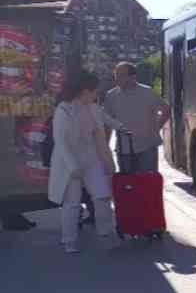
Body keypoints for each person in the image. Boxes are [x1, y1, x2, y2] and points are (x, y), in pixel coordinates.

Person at [47, 71, 118, 253]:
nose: (97, 94)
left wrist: (123, 127)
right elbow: (60, 141)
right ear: (84, 91)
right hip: (68, 161)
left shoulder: (92, 107)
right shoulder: (63, 110)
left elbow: (105, 118)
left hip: (91, 157)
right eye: (95, 91)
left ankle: (106, 231)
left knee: (102, 195)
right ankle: (69, 241)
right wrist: (72, 167)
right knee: (72, 203)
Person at [103, 62, 170, 172]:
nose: (117, 78)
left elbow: (166, 109)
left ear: (132, 77)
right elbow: (107, 122)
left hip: (147, 146)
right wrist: (105, 146)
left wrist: (156, 129)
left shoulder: (147, 92)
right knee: (127, 185)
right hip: (124, 149)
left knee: (147, 182)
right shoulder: (111, 95)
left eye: (121, 75)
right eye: (116, 75)